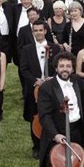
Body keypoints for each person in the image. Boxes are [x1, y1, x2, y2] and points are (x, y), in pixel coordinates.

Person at [18, 20, 53, 159]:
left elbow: (60, 66)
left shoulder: (54, 47)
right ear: (33, 32)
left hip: (51, 88)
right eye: (36, 30)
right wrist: (35, 81)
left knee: (51, 115)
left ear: (45, 31)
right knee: (35, 117)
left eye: (41, 30)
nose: (38, 33)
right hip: (34, 89)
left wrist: (52, 79)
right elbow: (23, 69)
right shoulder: (27, 49)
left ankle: (51, 144)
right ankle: (36, 146)